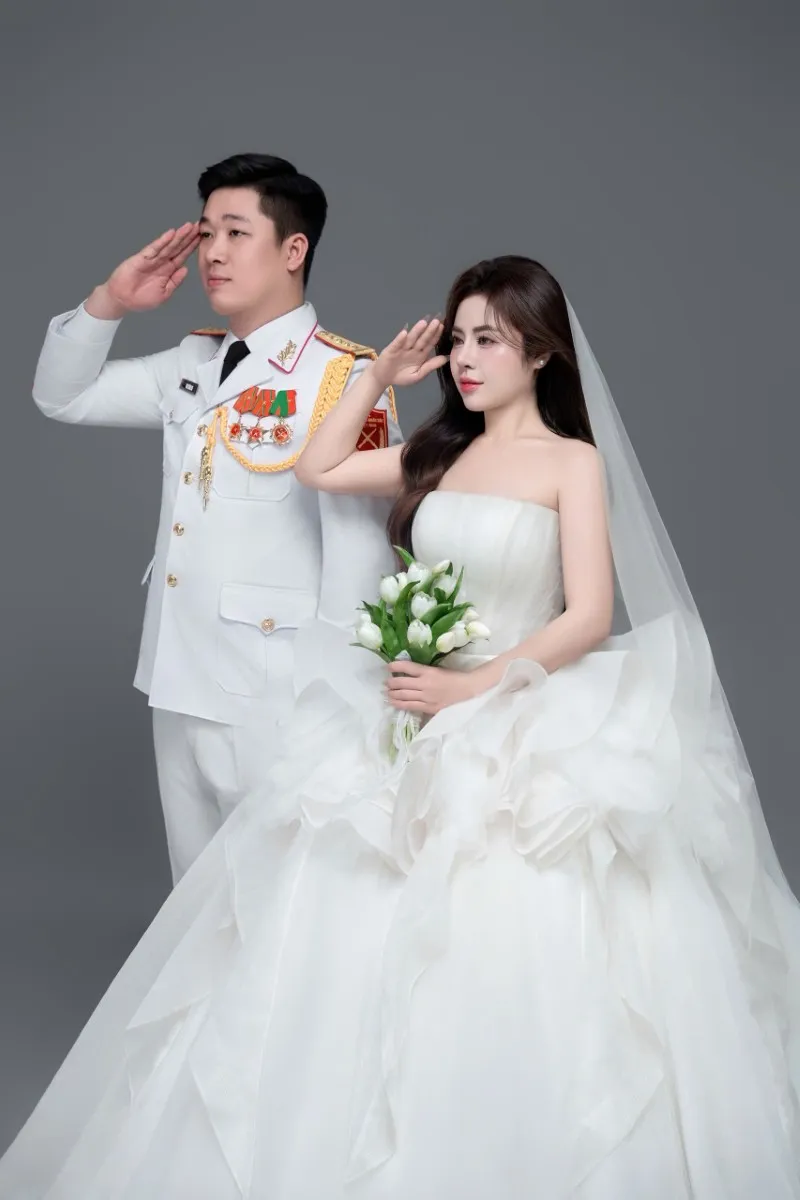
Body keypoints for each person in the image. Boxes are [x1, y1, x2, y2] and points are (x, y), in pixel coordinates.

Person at [3, 255, 800, 1199]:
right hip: (413, 707)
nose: (464, 358)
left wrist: (477, 690)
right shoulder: (438, 452)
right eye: (457, 339)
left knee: (522, 931)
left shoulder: (571, 462)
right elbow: (319, 467)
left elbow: (589, 615)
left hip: (523, 709)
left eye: (488, 340)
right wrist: (377, 377)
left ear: (542, 353)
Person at [31, 152, 401, 882]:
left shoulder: (346, 377)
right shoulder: (192, 360)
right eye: (205, 234)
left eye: (236, 232)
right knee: (194, 900)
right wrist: (110, 301)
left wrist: (345, 706)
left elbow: (361, 554)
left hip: (280, 689)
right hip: (176, 672)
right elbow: (62, 396)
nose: (214, 253)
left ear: (293, 250)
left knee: (283, 894)